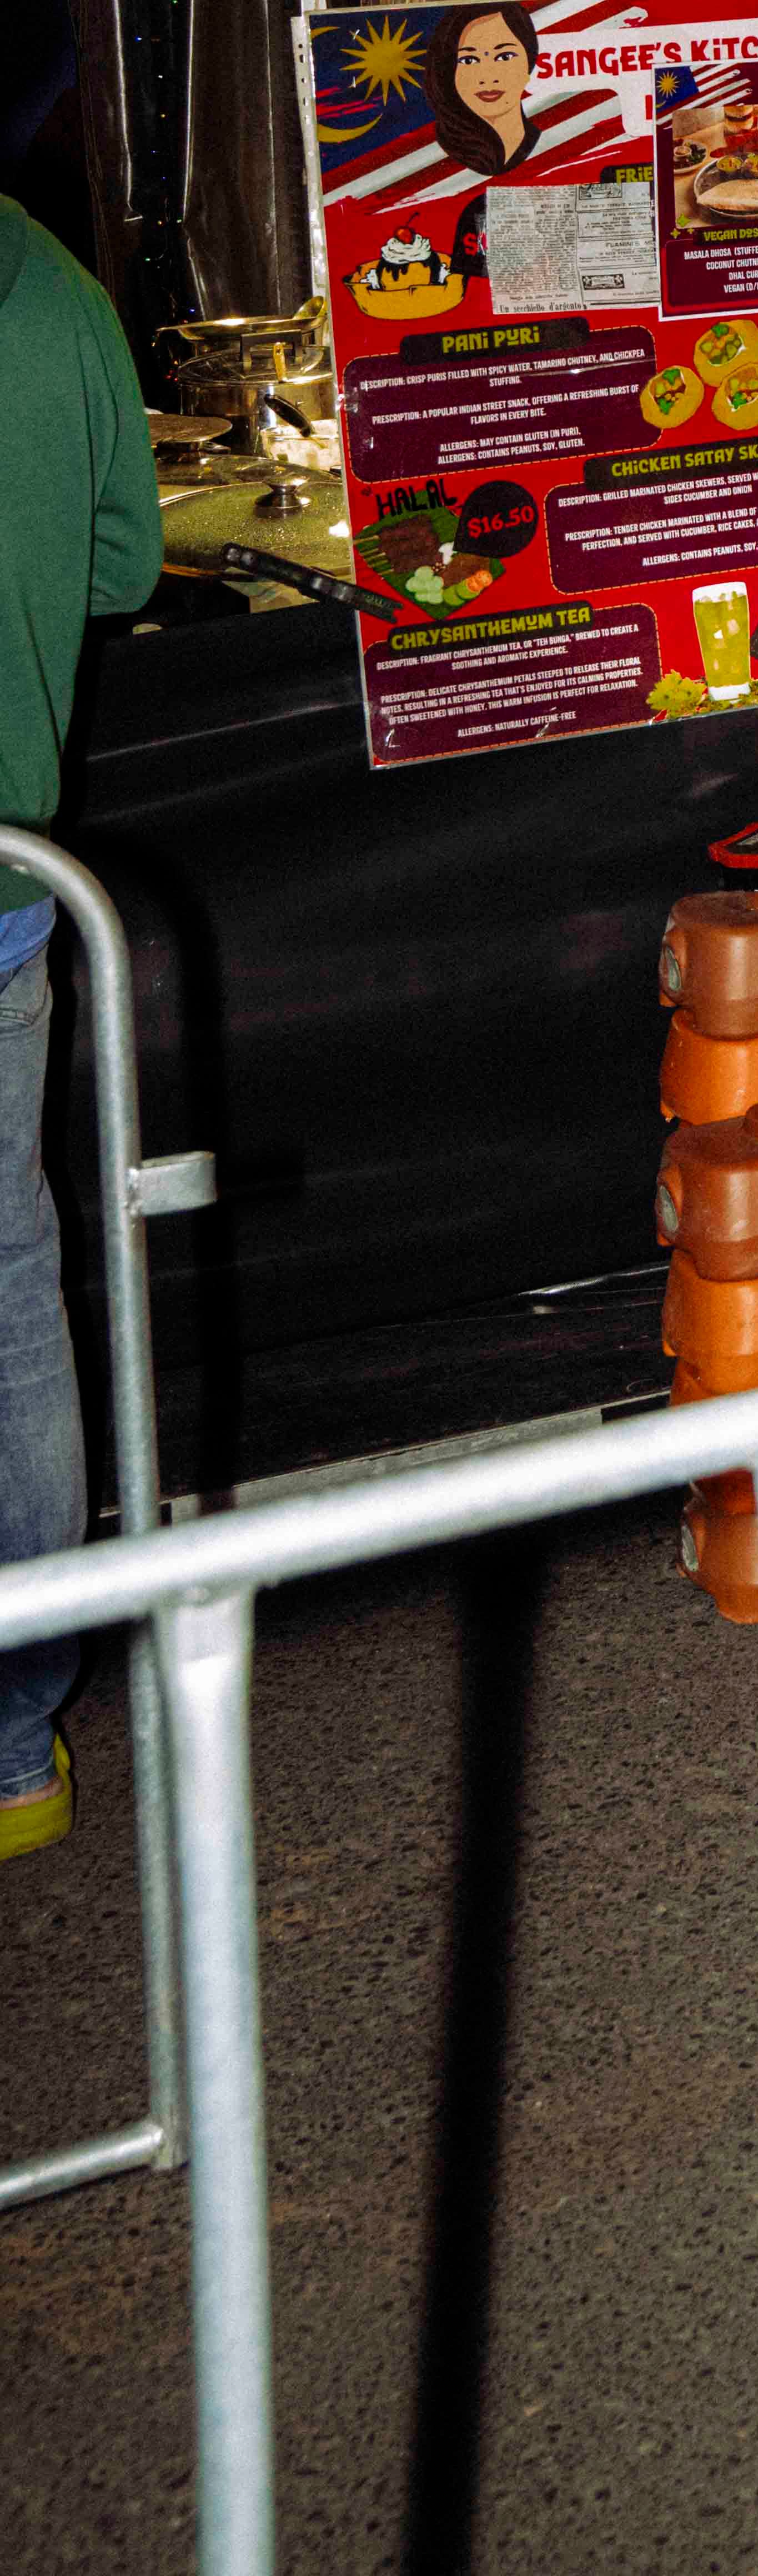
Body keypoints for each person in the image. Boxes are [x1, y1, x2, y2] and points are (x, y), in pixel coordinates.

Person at [2, 185, 162, 1864]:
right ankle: (14, 1748)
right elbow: (125, 562)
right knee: (9, 1298)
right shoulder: (52, 292)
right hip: (4, 882)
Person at [420, 3, 549, 179]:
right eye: (469, 60)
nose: (488, 77)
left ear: (529, 62)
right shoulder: (434, 156)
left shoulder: (550, 140)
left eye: (505, 57)